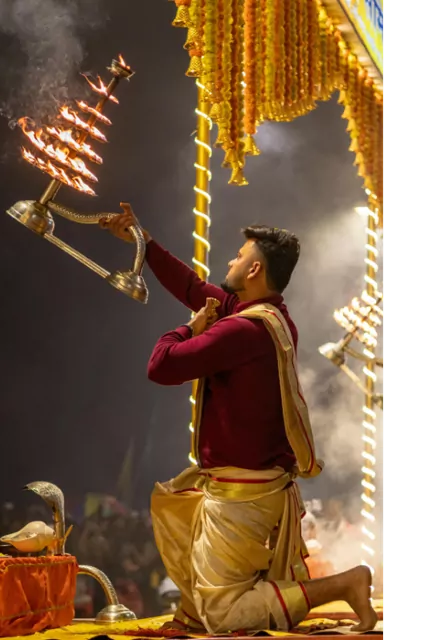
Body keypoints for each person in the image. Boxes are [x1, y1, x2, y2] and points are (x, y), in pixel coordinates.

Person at [100, 205, 376, 633]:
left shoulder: (242, 331)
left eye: (238, 255)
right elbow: (193, 287)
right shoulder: (268, 316)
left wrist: (188, 330)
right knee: (183, 526)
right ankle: (203, 609)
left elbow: (162, 367)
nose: (229, 260)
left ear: (254, 269)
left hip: (242, 493)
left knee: (223, 614)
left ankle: (344, 584)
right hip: (243, 484)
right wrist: (144, 241)